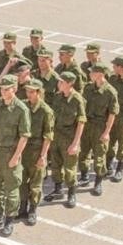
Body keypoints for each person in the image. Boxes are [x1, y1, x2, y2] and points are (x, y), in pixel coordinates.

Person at [0, 75, 30, 237]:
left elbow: (24, 136)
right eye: (2, 88)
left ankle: (9, 220)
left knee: (12, 189)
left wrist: (16, 156)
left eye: (7, 89)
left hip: (10, 153)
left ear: (14, 89)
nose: (3, 92)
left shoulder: (21, 109)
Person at [44, 72, 86, 208]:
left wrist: (75, 143)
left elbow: (81, 122)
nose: (59, 84)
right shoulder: (57, 97)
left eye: (61, 82)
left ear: (69, 83)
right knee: (55, 165)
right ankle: (58, 189)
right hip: (56, 136)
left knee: (70, 168)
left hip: (69, 138)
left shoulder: (77, 99)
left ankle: (71, 193)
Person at [78, 63, 119, 196]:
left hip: (100, 126)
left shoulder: (110, 92)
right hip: (87, 125)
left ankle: (98, 182)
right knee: (83, 152)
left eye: (92, 72)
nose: (89, 74)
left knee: (99, 155)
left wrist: (107, 132)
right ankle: (84, 176)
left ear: (100, 74)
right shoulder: (88, 88)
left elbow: (112, 114)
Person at [18, 79, 54, 226]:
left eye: (32, 92)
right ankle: (22, 208)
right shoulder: (23, 106)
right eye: (27, 91)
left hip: (36, 150)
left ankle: (32, 210)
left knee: (35, 184)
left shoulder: (46, 111)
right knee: (21, 181)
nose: (29, 94)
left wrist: (43, 156)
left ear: (39, 93)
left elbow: (48, 136)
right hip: (23, 150)